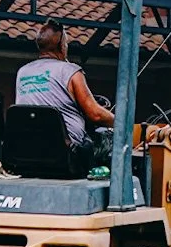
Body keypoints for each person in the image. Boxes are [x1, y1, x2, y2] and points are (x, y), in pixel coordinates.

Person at [14, 20, 113, 158]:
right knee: (107, 138)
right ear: (62, 45)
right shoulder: (70, 71)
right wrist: (121, 122)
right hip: (65, 153)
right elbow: (95, 114)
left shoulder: (22, 73)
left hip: (27, 150)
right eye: (66, 43)